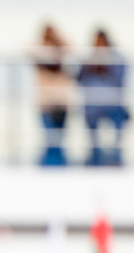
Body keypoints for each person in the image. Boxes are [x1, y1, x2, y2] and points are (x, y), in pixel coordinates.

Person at [77, 29, 128, 167]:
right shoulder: (88, 59)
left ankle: (116, 159)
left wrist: (105, 69)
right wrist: (90, 67)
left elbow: (120, 79)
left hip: (113, 104)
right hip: (93, 106)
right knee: (93, 136)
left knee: (119, 128)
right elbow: (79, 79)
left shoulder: (117, 58)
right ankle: (94, 160)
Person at [31, 24, 72, 167]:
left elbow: (70, 47)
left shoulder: (61, 53)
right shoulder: (39, 54)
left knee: (60, 140)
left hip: (61, 103)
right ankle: (48, 168)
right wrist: (46, 45)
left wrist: (57, 41)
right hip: (46, 104)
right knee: (49, 139)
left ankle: (59, 168)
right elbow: (28, 50)